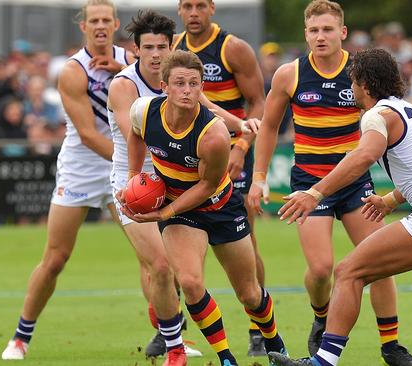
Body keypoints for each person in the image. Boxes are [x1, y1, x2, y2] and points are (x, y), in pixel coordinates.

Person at [269, 47, 412, 366]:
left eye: (353, 82)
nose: (350, 89)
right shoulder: (408, 110)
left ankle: (322, 362)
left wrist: (315, 193)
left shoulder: (376, 115)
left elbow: (363, 156)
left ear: (365, 84)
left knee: (348, 272)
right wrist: (389, 199)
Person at [247, 2, 412, 365]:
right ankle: (321, 316)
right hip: (309, 184)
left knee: (379, 263)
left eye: (327, 29)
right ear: (306, 33)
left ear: (342, 32)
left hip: (356, 183)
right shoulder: (289, 74)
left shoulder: (362, 74)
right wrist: (259, 178)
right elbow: (268, 127)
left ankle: (391, 346)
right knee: (322, 269)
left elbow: (394, 120)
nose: (320, 36)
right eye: (313, 30)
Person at [119, 49, 286, 366]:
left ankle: (274, 340)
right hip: (181, 211)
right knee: (192, 283)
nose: (186, 91)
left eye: (193, 84)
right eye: (179, 83)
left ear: (201, 88)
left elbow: (207, 185)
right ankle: (226, 358)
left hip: (220, 207)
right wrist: (132, 178)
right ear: (164, 86)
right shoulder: (143, 111)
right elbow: (135, 135)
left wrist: (163, 213)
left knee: (249, 293)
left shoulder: (214, 134)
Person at [0, 0, 132, 360]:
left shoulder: (133, 60)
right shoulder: (73, 71)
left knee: (154, 257)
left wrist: (124, 68)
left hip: (124, 164)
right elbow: (88, 134)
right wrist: (131, 165)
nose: (102, 26)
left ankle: (172, 337)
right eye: (95, 21)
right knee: (56, 257)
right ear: (84, 27)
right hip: (83, 166)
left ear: (116, 24)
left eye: (107, 19)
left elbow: (157, 90)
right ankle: (20, 337)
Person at [173, 0, 269, 356]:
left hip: (232, 156)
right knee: (178, 241)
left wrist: (241, 147)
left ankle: (257, 326)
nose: (193, 12)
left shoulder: (233, 48)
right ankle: (174, 327)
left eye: (200, 5)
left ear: (212, 8)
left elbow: (257, 102)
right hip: (187, 158)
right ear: (179, 9)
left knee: (246, 239)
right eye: (187, 5)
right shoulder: (173, 48)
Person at [107, 10, 202, 363]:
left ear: (172, 45)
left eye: (162, 46)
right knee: (160, 265)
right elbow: (138, 131)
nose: (156, 54)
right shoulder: (124, 85)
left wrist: (239, 126)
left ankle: (165, 329)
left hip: (175, 179)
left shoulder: (180, 80)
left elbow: (206, 110)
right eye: (148, 47)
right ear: (135, 49)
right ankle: (173, 345)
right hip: (134, 183)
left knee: (178, 269)